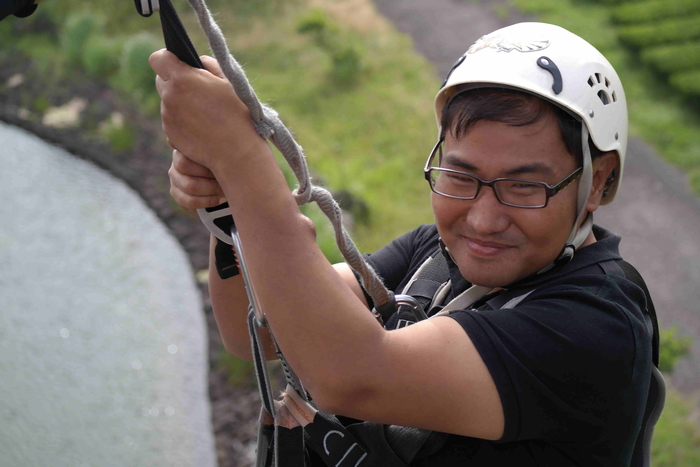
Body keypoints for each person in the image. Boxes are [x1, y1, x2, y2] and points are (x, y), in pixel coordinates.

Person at [151, 22, 654, 466]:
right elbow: (258, 334)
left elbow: (351, 375)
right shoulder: (432, 255)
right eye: (461, 175)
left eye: (524, 186)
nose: (482, 219)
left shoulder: (595, 328)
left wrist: (241, 159)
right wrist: (229, 207)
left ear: (600, 182)